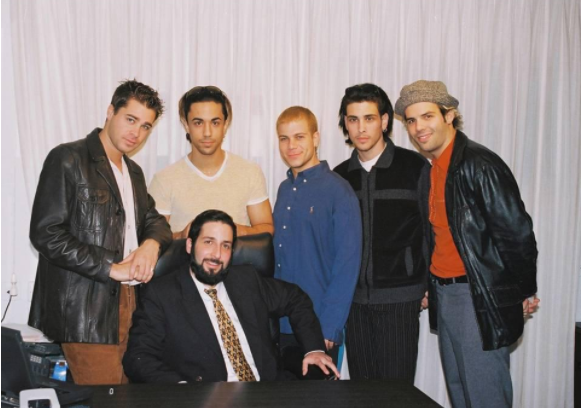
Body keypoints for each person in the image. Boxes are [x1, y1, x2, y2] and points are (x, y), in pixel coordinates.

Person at [395, 80, 540, 408]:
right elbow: (439, 237)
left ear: (449, 116)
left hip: (477, 296)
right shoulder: (432, 169)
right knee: (461, 394)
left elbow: (517, 234)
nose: (419, 128)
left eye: (427, 116)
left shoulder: (479, 164)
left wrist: (521, 292)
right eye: (412, 121)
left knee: (485, 396)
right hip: (445, 294)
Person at [28, 80, 172, 385]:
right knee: (107, 396)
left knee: (130, 394)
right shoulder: (68, 158)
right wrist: (110, 267)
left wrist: (150, 245)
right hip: (86, 308)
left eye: (146, 126)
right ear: (110, 111)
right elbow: (46, 233)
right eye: (130, 119)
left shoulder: (134, 172)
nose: (136, 132)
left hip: (132, 300)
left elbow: (155, 220)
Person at [123, 210, 339, 383]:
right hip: (208, 398)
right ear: (190, 245)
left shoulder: (246, 280)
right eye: (208, 242)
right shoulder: (162, 294)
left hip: (267, 392)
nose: (217, 254)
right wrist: (182, 390)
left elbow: (295, 298)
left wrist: (314, 349)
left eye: (225, 245)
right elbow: (138, 358)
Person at [333, 83, 429, 382]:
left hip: (401, 297)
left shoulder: (415, 167)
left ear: (384, 121)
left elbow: (432, 230)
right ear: (345, 123)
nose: (361, 128)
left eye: (369, 118)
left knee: (395, 394)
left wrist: (429, 284)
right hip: (353, 302)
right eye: (353, 119)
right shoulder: (339, 177)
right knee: (363, 393)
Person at [273, 106, 362, 366]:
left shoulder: (339, 191)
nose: (291, 146)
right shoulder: (283, 189)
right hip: (281, 323)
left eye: (299, 137)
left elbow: (347, 266)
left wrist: (330, 327)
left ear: (315, 138)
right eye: (284, 138)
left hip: (318, 326)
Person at [149, 85, 273, 239]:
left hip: (238, 256)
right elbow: (152, 240)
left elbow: (267, 229)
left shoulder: (249, 172)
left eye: (215, 123)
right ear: (186, 125)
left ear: (225, 125)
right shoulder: (164, 180)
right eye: (198, 123)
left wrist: (234, 230)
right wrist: (183, 235)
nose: (207, 133)